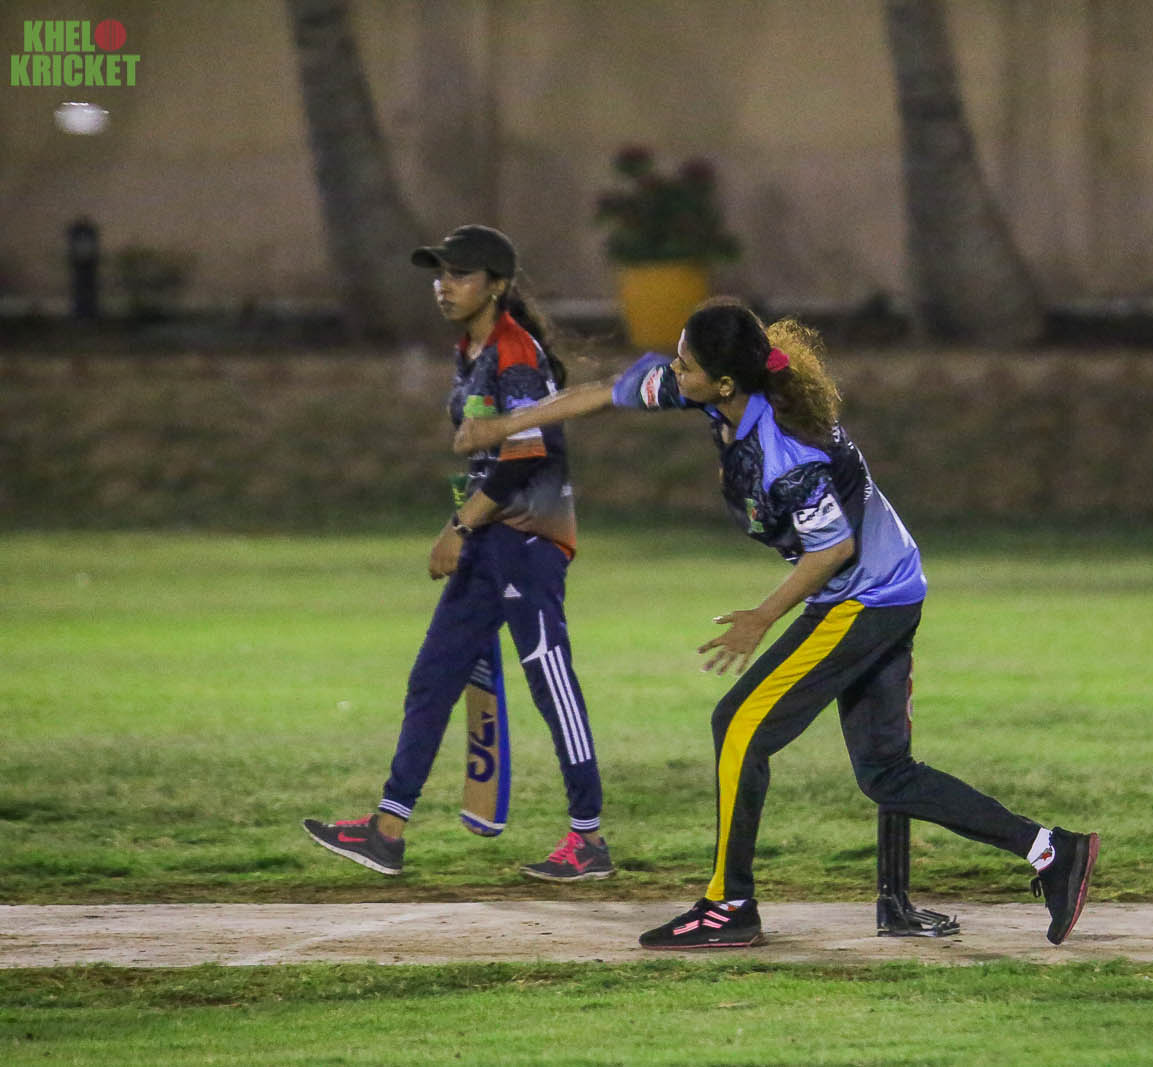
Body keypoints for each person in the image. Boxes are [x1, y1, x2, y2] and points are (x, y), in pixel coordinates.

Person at [453, 297, 1097, 947]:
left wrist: (762, 617)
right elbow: (601, 393)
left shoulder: (785, 449)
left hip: (865, 598)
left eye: (685, 364)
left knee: (737, 726)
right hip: (887, 587)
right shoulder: (719, 396)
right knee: (885, 772)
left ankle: (729, 905)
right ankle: (1052, 850)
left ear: (724, 383)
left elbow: (833, 549)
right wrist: (506, 425)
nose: (673, 371)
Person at [303, 224, 613, 882]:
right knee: (433, 677)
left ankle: (588, 837)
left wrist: (459, 527)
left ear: (497, 285)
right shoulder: (471, 349)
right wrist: (469, 525)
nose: (444, 285)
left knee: (549, 679)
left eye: (461, 274)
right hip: (489, 540)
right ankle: (387, 830)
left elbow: (526, 456)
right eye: (440, 273)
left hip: (527, 542)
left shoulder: (514, 353)